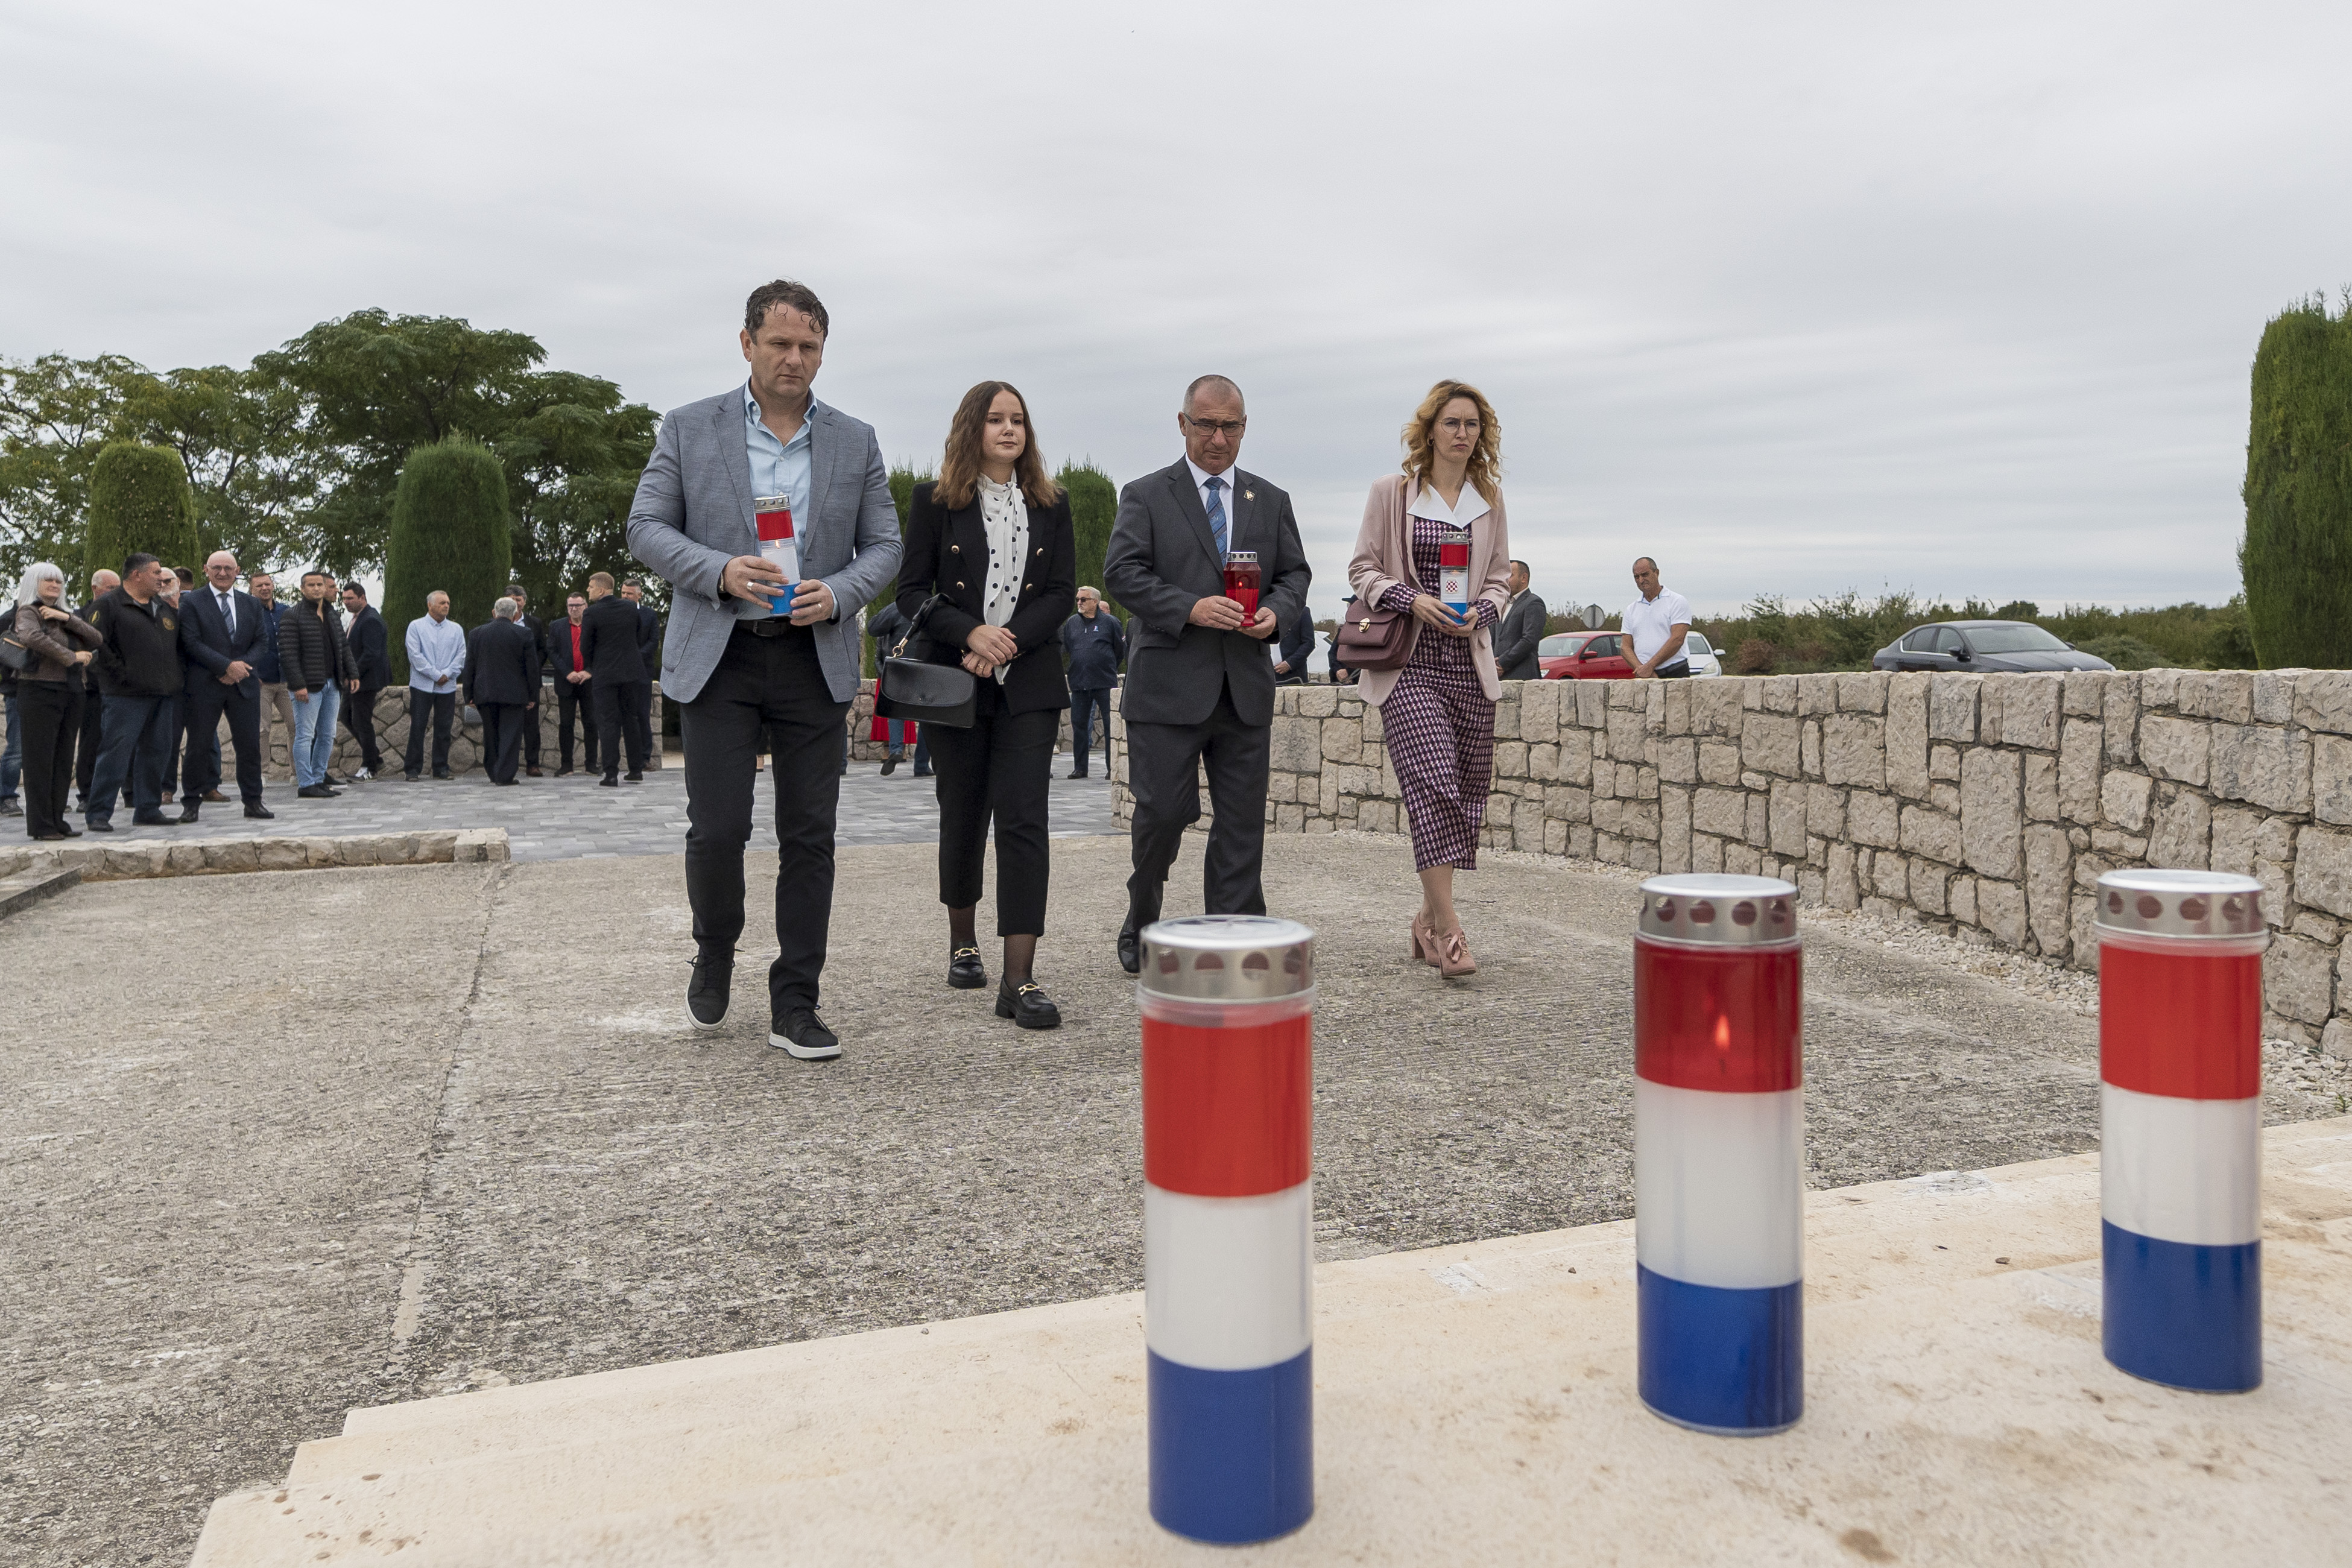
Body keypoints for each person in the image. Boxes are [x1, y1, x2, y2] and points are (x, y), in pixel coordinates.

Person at [625, 277, 902, 1060]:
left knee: (810, 835)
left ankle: (796, 1000)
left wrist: (841, 592)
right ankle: (714, 949)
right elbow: (645, 526)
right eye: (780, 343)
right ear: (747, 343)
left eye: (809, 346)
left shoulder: (856, 439)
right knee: (718, 830)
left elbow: (884, 544)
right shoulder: (689, 427)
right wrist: (717, 569)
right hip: (722, 655)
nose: (794, 358)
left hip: (814, 658)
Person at [1102, 374, 1310, 975]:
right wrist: (1188, 608)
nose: (1219, 437)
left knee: (1242, 826)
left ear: (1245, 427)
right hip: (1166, 690)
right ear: (1183, 423)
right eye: (1207, 424)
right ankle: (1143, 913)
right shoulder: (1145, 495)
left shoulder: (1269, 500)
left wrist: (1277, 613)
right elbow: (1123, 573)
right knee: (1165, 813)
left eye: (1232, 426)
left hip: (1244, 688)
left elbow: (1295, 575)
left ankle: (1235, 932)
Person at [897, 381, 1078, 1028]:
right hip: (954, 685)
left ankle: (1020, 978)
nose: (1009, 430)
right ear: (972, 427)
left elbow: (1060, 593)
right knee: (964, 815)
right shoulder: (934, 502)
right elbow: (912, 589)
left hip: (1027, 685)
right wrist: (968, 633)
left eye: (1019, 420)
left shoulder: (1052, 505)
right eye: (997, 419)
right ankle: (963, 940)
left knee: (1025, 822)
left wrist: (1004, 644)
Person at [1347, 380, 1515, 978]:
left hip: (1467, 665)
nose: (1462, 432)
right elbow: (1362, 567)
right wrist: (1412, 600)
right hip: (1409, 665)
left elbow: (1500, 578)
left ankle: (1423, 917)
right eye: (1452, 423)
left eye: (1472, 424)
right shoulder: (1391, 494)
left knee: (1465, 796)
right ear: (1430, 430)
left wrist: (1487, 609)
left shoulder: (1489, 498)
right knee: (1433, 785)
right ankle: (1450, 930)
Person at [84, 554, 186, 830]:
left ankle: (148, 809)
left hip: (162, 694)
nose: (161, 578)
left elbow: (174, 648)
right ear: (136, 575)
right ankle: (98, 813)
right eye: (155, 573)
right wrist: (122, 675)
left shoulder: (162, 608)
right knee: (115, 754)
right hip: (124, 695)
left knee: (157, 753)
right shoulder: (108, 605)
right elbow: (97, 646)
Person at [174, 550, 271, 823]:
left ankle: (253, 802)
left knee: (249, 746)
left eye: (228, 568)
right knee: (198, 746)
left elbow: (261, 643)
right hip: (205, 684)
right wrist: (225, 666)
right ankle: (191, 803)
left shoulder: (251, 604)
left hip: (243, 684)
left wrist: (239, 668)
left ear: (237, 570)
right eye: (216, 568)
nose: (222, 573)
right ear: (206, 569)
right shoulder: (192, 603)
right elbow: (191, 642)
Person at [7, 563, 100, 839]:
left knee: (62, 759)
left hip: (71, 691)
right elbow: (31, 637)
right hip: (38, 691)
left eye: (58, 581)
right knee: (39, 760)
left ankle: (57, 820)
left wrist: (66, 617)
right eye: (48, 580)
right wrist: (71, 657)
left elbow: (96, 638)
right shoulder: (28, 611)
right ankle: (41, 825)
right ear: (34, 582)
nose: (54, 585)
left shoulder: (64, 615)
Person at [277, 569, 353, 798]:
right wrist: (298, 684)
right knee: (305, 735)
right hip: (308, 687)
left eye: (320, 585)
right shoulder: (293, 616)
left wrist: (353, 672)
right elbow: (288, 654)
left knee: (328, 734)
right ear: (302, 589)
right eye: (311, 585)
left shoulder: (332, 614)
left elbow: (343, 646)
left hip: (333, 684)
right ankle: (306, 783)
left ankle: (319, 779)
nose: (316, 589)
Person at [580, 572, 650, 784]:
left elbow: (585, 646)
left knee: (608, 723)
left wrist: (593, 665)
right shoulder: (630, 608)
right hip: (631, 673)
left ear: (601, 590)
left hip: (605, 674)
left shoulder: (592, 613)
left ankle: (611, 773)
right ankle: (636, 770)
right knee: (632, 720)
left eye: (591, 587)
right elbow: (638, 635)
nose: (588, 590)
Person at [465, 598, 542, 785]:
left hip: (485, 692)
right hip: (514, 695)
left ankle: (493, 771)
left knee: (490, 734)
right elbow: (532, 668)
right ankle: (505, 775)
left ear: (494, 613)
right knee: (510, 734)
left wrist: (469, 694)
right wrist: (533, 696)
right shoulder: (524, 633)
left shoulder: (477, 634)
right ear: (515, 615)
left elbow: (470, 666)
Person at [1059, 586, 1124, 778]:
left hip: (1104, 682)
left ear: (1095, 601)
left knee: (1110, 725)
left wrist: (1106, 665)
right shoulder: (1071, 623)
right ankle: (1080, 768)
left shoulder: (1110, 622)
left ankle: (1111, 769)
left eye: (1084, 600)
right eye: (1078, 599)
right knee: (1078, 725)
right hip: (1079, 682)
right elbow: (1068, 648)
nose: (1079, 602)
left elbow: (1119, 650)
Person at [864, 598, 931, 777]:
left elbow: (873, 627)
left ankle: (895, 749)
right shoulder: (932, 606)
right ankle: (922, 765)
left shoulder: (899, 607)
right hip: (925, 665)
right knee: (928, 715)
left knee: (896, 710)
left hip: (900, 666)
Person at [403, 590, 465, 781]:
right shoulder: (416, 627)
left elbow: (461, 656)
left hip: (447, 687)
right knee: (418, 727)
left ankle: (441, 768)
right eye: (441, 603)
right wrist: (437, 675)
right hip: (422, 685)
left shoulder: (456, 629)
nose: (446, 606)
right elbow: (415, 656)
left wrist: (447, 674)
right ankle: (413, 769)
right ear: (430, 605)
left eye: (448, 602)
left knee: (444, 728)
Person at [72, 567, 119, 811]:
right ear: (95, 588)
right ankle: (87, 794)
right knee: (91, 743)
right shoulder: (79, 616)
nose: (116, 593)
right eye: (111, 588)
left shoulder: (122, 613)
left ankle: (127, 792)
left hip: (120, 688)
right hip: (92, 690)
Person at [340, 582, 391, 779]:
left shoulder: (370, 620)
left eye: (350, 598)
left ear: (362, 597)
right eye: (344, 599)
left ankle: (370, 766)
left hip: (365, 680)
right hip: (355, 680)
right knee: (347, 717)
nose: (346, 602)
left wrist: (353, 674)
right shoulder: (357, 619)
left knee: (362, 722)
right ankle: (375, 758)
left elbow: (371, 654)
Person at [248, 573, 295, 779]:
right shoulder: (248, 613)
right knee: (262, 729)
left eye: (267, 584)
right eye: (259, 585)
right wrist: (252, 672)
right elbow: (242, 645)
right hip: (261, 682)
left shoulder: (286, 612)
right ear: (252, 589)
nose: (264, 588)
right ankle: (262, 773)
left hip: (286, 680)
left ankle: (298, 772)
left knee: (296, 726)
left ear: (273, 586)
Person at [545, 590, 597, 775]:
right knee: (566, 724)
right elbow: (552, 651)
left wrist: (589, 672)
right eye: (571, 606)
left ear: (586, 606)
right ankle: (566, 765)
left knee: (591, 723)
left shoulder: (593, 626)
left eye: (578, 605)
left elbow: (601, 651)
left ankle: (591, 765)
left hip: (589, 682)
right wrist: (567, 673)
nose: (574, 609)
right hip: (566, 682)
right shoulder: (557, 626)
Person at [502, 583, 548, 777]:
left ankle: (533, 764)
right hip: (505, 681)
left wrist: (532, 667)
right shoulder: (497, 622)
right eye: (511, 600)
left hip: (529, 682)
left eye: (519, 600)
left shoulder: (534, 623)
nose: (516, 603)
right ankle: (504, 763)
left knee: (531, 725)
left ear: (525, 602)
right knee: (506, 723)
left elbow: (543, 649)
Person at [154, 567, 192, 802]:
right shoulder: (155, 609)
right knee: (170, 738)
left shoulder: (192, 606)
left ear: (178, 582)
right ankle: (166, 788)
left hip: (198, 682)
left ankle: (208, 786)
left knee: (207, 740)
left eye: (167, 581)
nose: (163, 585)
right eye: (158, 582)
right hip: (169, 684)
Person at [1624, 557, 1693, 679]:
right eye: (1637, 577)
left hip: (1674, 673)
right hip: (1644, 676)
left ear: (1657, 573)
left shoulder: (1677, 602)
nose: (1641, 580)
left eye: (1645, 575)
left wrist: (1650, 666)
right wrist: (1643, 670)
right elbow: (1625, 647)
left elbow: (1677, 639)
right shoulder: (1631, 609)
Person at [622, 578, 662, 759]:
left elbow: (653, 642)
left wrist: (635, 656)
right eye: (623, 593)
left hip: (642, 672)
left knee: (642, 715)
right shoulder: (614, 614)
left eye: (629, 594)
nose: (625, 597)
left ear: (639, 595)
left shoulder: (649, 615)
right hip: (620, 672)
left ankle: (645, 757)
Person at [1495, 560, 1548, 682]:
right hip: (1497, 679)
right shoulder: (1500, 604)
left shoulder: (1533, 603)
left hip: (1523, 678)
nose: (1505, 581)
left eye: (1509, 576)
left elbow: (1529, 640)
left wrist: (1503, 663)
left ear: (1524, 578)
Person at [1274, 602, 1314, 686]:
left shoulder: (1302, 612)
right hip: (1268, 674)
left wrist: (1289, 664)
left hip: (1292, 675)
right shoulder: (1261, 612)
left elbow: (1309, 643)